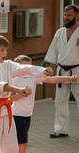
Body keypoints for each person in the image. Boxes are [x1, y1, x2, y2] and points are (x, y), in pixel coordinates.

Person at [12, 55, 77, 153]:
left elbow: (52, 79)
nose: (28, 70)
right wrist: (21, 94)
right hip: (16, 115)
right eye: (25, 67)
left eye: (31, 67)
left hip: (27, 115)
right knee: (22, 144)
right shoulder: (14, 79)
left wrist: (69, 78)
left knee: (21, 144)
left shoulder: (33, 76)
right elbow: (8, 99)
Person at [44, 4, 79, 138]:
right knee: (60, 102)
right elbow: (53, 51)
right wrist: (49, 67)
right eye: (65, 15)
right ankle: (61, 129)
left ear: (77, 16)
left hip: (77, 70)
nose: (66, 18)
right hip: (61, 71)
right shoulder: (60, 32)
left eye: (69, 15)